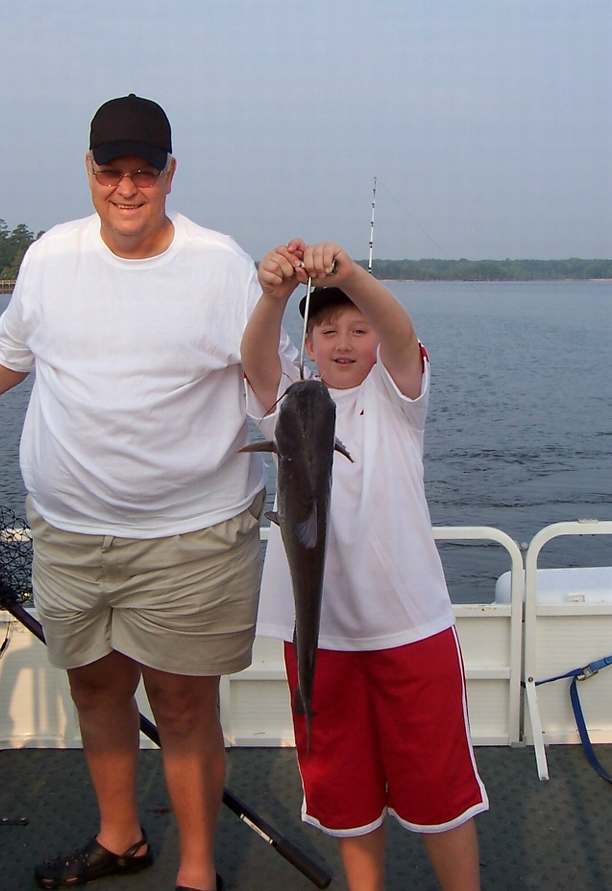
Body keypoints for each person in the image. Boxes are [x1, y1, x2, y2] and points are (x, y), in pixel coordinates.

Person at [0, 93, 294, 891]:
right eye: (111, 170)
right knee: (95, 686)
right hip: (70, 529)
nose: (126, 188)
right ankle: (120, 836)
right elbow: (4, 358)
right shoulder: (50, 256)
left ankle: (197, 869)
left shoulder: (221, 263)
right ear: (88, 171)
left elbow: (272, 387)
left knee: (184, 706)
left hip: (192, 534)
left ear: (169, 175)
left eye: (142, 173)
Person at [241, 239, 488, 891]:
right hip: (320, 638)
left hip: (410, 630)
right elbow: (255, 360)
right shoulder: (292, 404)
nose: (345, 340)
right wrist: (272, 296)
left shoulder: (399, 399)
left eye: (359, 328)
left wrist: (350, 274)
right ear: (309, 343)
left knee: (441, 791)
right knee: (346, 800)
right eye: (327, 329)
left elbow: (402, 332)